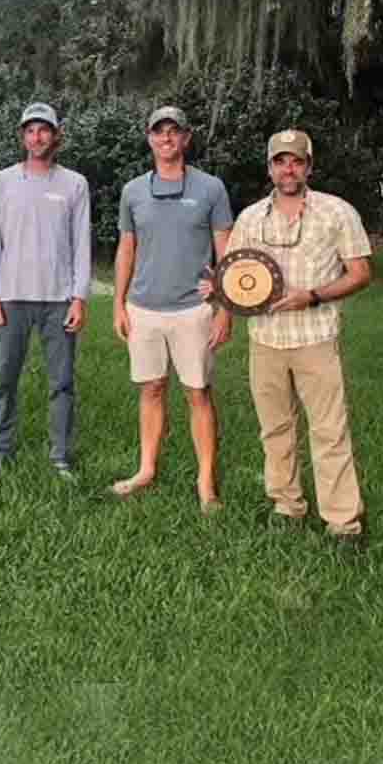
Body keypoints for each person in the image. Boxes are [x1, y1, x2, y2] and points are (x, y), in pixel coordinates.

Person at [220, 129, 371, 544]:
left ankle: (343, 523)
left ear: (309, 165)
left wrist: (313, 296)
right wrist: (218, 289)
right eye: (280, 161)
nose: (289, 169)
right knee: (275, 429)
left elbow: (360, 274)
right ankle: (287, 506)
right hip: (265, 340)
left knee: (329, 430)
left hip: (315, 336)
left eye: (297, 160)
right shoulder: (250, 218)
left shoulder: (337, 212)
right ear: (269, 168)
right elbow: (235, 276)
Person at [112, 106, 233, 513]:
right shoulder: (132, 191)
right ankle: (146, 469)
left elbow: (226, 251)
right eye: (158, 132)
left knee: (197, 393)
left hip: (194, 309)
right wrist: (119, 303)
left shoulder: (211, 188)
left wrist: (225, 308)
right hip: (144, 308)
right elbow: (127, 248)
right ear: (149, 138)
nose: (166, 139)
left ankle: (206, 482)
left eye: (174, 132)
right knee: (151, 388)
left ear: (186, 138)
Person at [0, 103, 91, 480]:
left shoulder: (74, 183)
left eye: (44, 130)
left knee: (62, 382)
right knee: (4, 378)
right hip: (11, 297)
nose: (37, 137)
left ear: (56, 136)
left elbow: (81, 243)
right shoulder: (3, 181)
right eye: (30, 130)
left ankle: (60, 456)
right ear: (22, 136)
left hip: (58, 299)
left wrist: (79, 297)